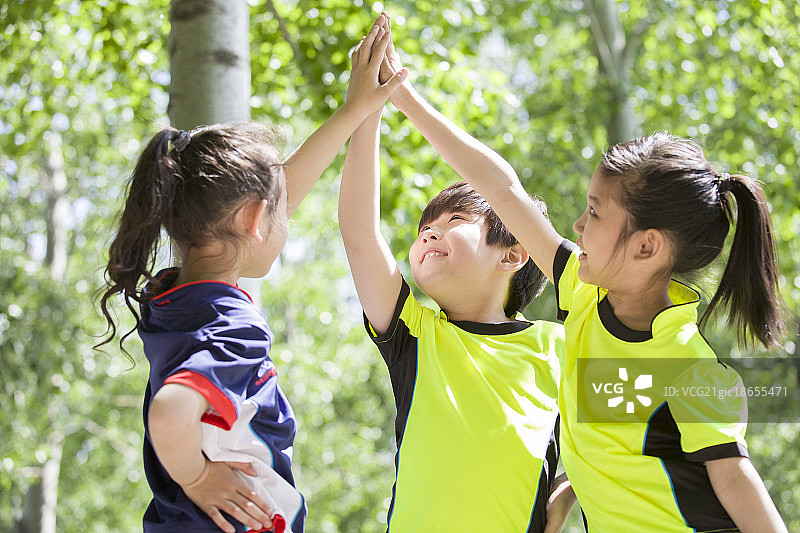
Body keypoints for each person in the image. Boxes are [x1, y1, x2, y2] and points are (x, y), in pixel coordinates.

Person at [374, 14, 788, 533]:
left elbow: (735, 481)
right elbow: (502, 189)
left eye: (594, 213)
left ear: (646, 247)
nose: (576, 223)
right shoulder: (585, 294)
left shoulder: (688, 367)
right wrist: (405, 100)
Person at [97, 24, 407, 533]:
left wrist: (355, 111)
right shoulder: (233, 326)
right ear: (255, 220)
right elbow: (171, 411)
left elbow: (270, 199)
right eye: (281, 210)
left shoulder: (175, 298)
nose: (291, 212)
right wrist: (197, 478)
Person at [338, 13, 567, 533]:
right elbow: (357, 229)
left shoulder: (560, 347)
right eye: (423, 228)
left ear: (513, 254)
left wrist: (570, 492)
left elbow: (643, 413)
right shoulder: (415, 334)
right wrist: (367, 109)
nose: (428, 233)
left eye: (454, 221)